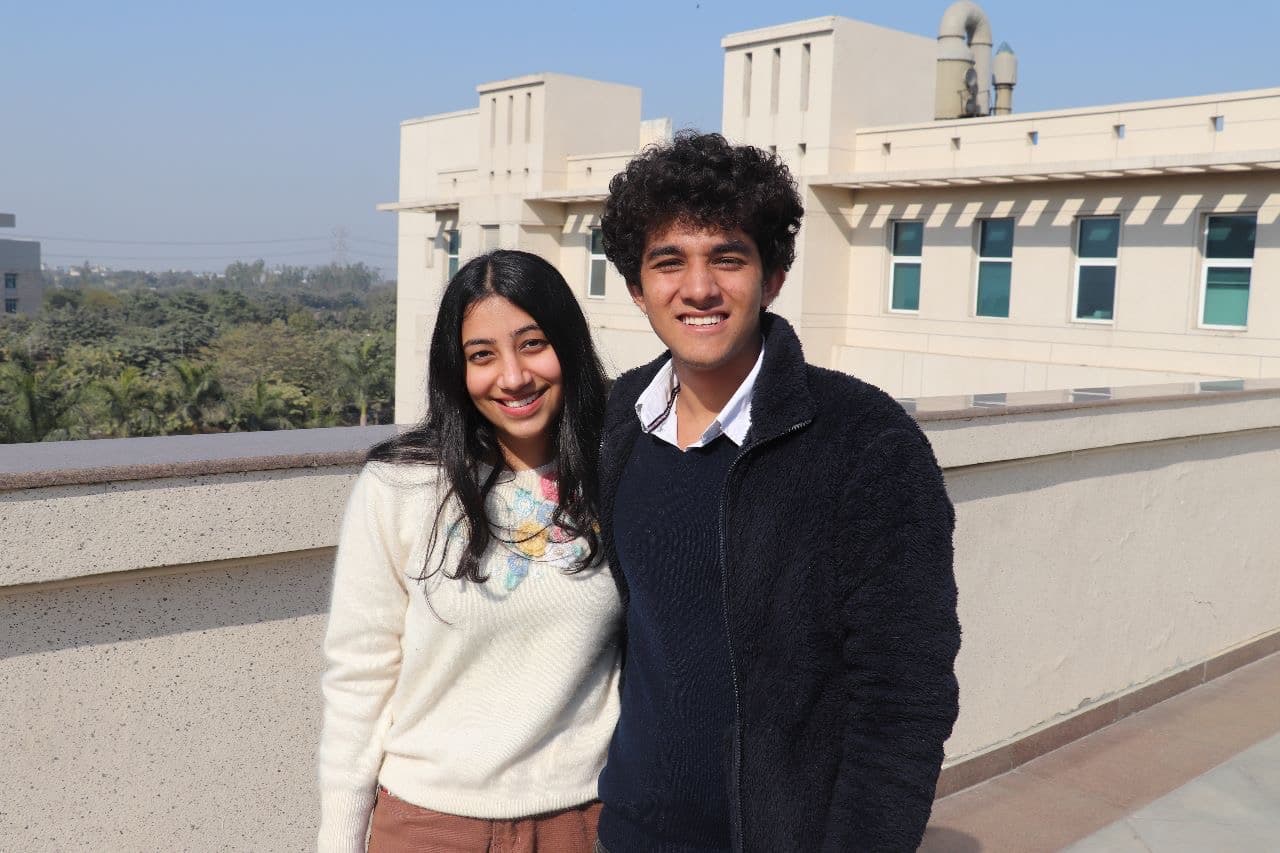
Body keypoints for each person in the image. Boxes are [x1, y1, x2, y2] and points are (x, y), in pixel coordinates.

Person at [593, 132, 961, 852]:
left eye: (727, 258)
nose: (698, 288)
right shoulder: (619, 420)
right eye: (669, 262)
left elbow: (903, 700)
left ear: (773, 276)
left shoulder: (865, 443)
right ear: (638, 289)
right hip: (631, 834)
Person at [317, 250, 621, 853]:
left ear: (569, 346)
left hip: (586, 823)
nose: (512, 377)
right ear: (457, 369)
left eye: (533, 344)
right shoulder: (401, 486)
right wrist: (339, 840)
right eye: (483, 356)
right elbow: (359, 677)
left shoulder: (619, 472)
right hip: (429, 825)